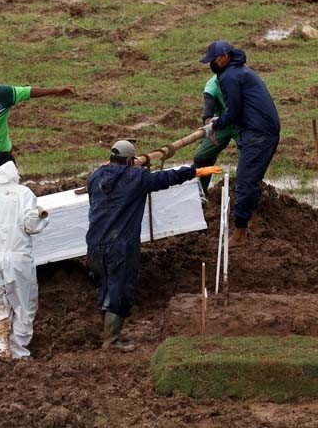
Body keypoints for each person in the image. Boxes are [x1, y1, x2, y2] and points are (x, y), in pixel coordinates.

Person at [85, 140, 221, 351]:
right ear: (130, 160)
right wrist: (195, 172)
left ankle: (109, 334)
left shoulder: (94, 178)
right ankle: (111, 341)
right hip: (120, 245)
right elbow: (166, 178)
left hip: (93, 243)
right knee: (120, 289)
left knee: (104, 287)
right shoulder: (136, 178)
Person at [200, 40, 281, 248]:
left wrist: (216, 123)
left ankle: (240, 234)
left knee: (244, 182)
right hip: (265, 130)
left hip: (258, 134)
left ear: (224, 57)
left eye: (215, 60)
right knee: (251, 179)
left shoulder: (230, 76)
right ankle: (253, 221)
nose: (213, 64)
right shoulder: (241, 70)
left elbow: (233, 111)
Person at [0, 152, 49, 359]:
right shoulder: (24, 193)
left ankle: (1, 349)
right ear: (13, 167)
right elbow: (31, 225)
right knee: (23, 305)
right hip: (17, 258)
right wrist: (42, 218)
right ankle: (19, 351)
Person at [193, 74, 241, 194]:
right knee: (201, 157)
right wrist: (209, 127)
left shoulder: (240, 79)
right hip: (221, 123)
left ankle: (245, 194)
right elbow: (208, 109)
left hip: (242, 122)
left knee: (248, 158)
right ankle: (200, 194)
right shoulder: (212, 85)